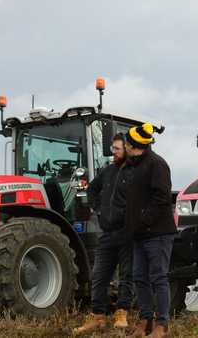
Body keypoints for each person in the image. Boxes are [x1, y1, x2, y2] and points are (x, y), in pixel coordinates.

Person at [73, 133, 134, 334]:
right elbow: (92, 189)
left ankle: (122, 312)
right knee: (99, 276)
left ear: (127, 148)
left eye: (116, 149)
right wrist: (98, 209)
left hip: (127, 233)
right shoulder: (107, 171)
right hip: (107, 233)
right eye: (112, 148)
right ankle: (97, 316)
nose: (113, 152)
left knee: (126, 275)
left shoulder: (135, 172)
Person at [125, 123, 177, 338]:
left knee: (158, 278)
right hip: (139, 234)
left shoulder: (157, 165)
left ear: (132, 144)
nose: (124, 146)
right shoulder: (132, 166)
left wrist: (144, 219)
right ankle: (146, 320)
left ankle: (161, 324)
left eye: (126, 143)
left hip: (158, 232)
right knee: (139, 278)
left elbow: (162, 198)